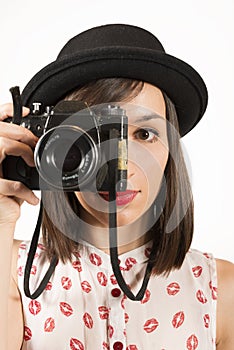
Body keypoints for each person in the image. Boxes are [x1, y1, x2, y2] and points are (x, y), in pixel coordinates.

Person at [0, 24, 233, 350]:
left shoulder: (221, 289)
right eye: (96, 136)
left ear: (171, 151)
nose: (120, 163)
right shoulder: (9, 270)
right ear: (57, 148)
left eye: (145, 134)